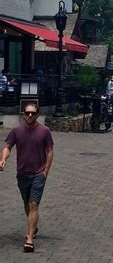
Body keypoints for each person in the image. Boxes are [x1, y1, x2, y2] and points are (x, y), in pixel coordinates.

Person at [0, 103, 54, 253]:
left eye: (33, 113)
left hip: (38, 173)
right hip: (22, 173)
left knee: (34, 204)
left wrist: (46, 171)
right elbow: (8, 146)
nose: (30, 115)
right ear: (23, 114)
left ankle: (29, 238)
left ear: (37, 115)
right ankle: (34, 226)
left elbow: (49, 150)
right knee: (26, 203)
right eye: (27, 113)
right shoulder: (17, 131)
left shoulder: (44, 131)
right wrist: (3, 159)